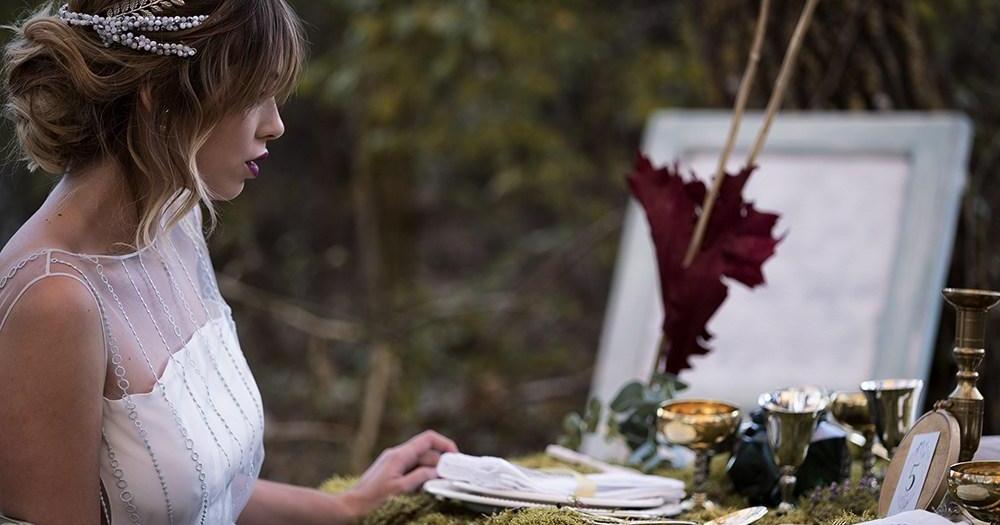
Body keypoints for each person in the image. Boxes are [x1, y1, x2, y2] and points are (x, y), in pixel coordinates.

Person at [0, 1, 458, 524]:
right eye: (254, 95)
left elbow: (191, 489)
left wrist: (345, 508)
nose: (276, 125)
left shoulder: (176, 222)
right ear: (162, 97)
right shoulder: (52, 301)